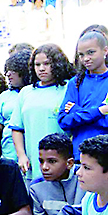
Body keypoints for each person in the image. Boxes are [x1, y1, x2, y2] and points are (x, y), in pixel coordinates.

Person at [58, 31, 108, 156]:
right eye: (81, 55)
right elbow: (64, 121)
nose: (86, 58)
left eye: (91, 52)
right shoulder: (75, 83)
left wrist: (79, 112)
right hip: (81, 156)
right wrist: (99, 111)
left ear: (105, 51)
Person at [11, 44, 75, 176]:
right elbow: (17, 128)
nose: (41, 69)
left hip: (62, 163)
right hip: (34, 163)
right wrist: (22, 156)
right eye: (37, 64)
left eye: (47, 63)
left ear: (58, 63)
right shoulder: (26, 92)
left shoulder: (70, 88)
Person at [0, 51, 30, 163]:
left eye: (13, 71)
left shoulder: (34, 92)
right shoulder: (5, 96)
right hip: (9, 156)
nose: (8, 74)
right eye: (7, 70)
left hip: (33, 154)